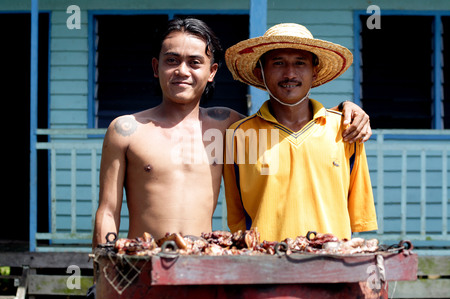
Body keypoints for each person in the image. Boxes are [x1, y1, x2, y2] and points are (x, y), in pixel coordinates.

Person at [92, 18, 372, 248]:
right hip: (141, 258)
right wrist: (104, 270)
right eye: (172, 60)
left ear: (212, 72)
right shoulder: (126, 130)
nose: (182, 71)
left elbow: (294, 121)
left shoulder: (226, 126)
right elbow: (107, 211)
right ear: (156, 67)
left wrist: (345, 110)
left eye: (194, 62)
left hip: (203, 259)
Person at [223, 23, 378, 242]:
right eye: (278, 63)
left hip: (332, 266)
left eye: (300, 63)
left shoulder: (345, 129)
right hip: (265, 265)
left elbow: (357, 217)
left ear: (314, 72)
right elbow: (238, 220)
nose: (290, 73)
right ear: (261, 73)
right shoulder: (238, 135)